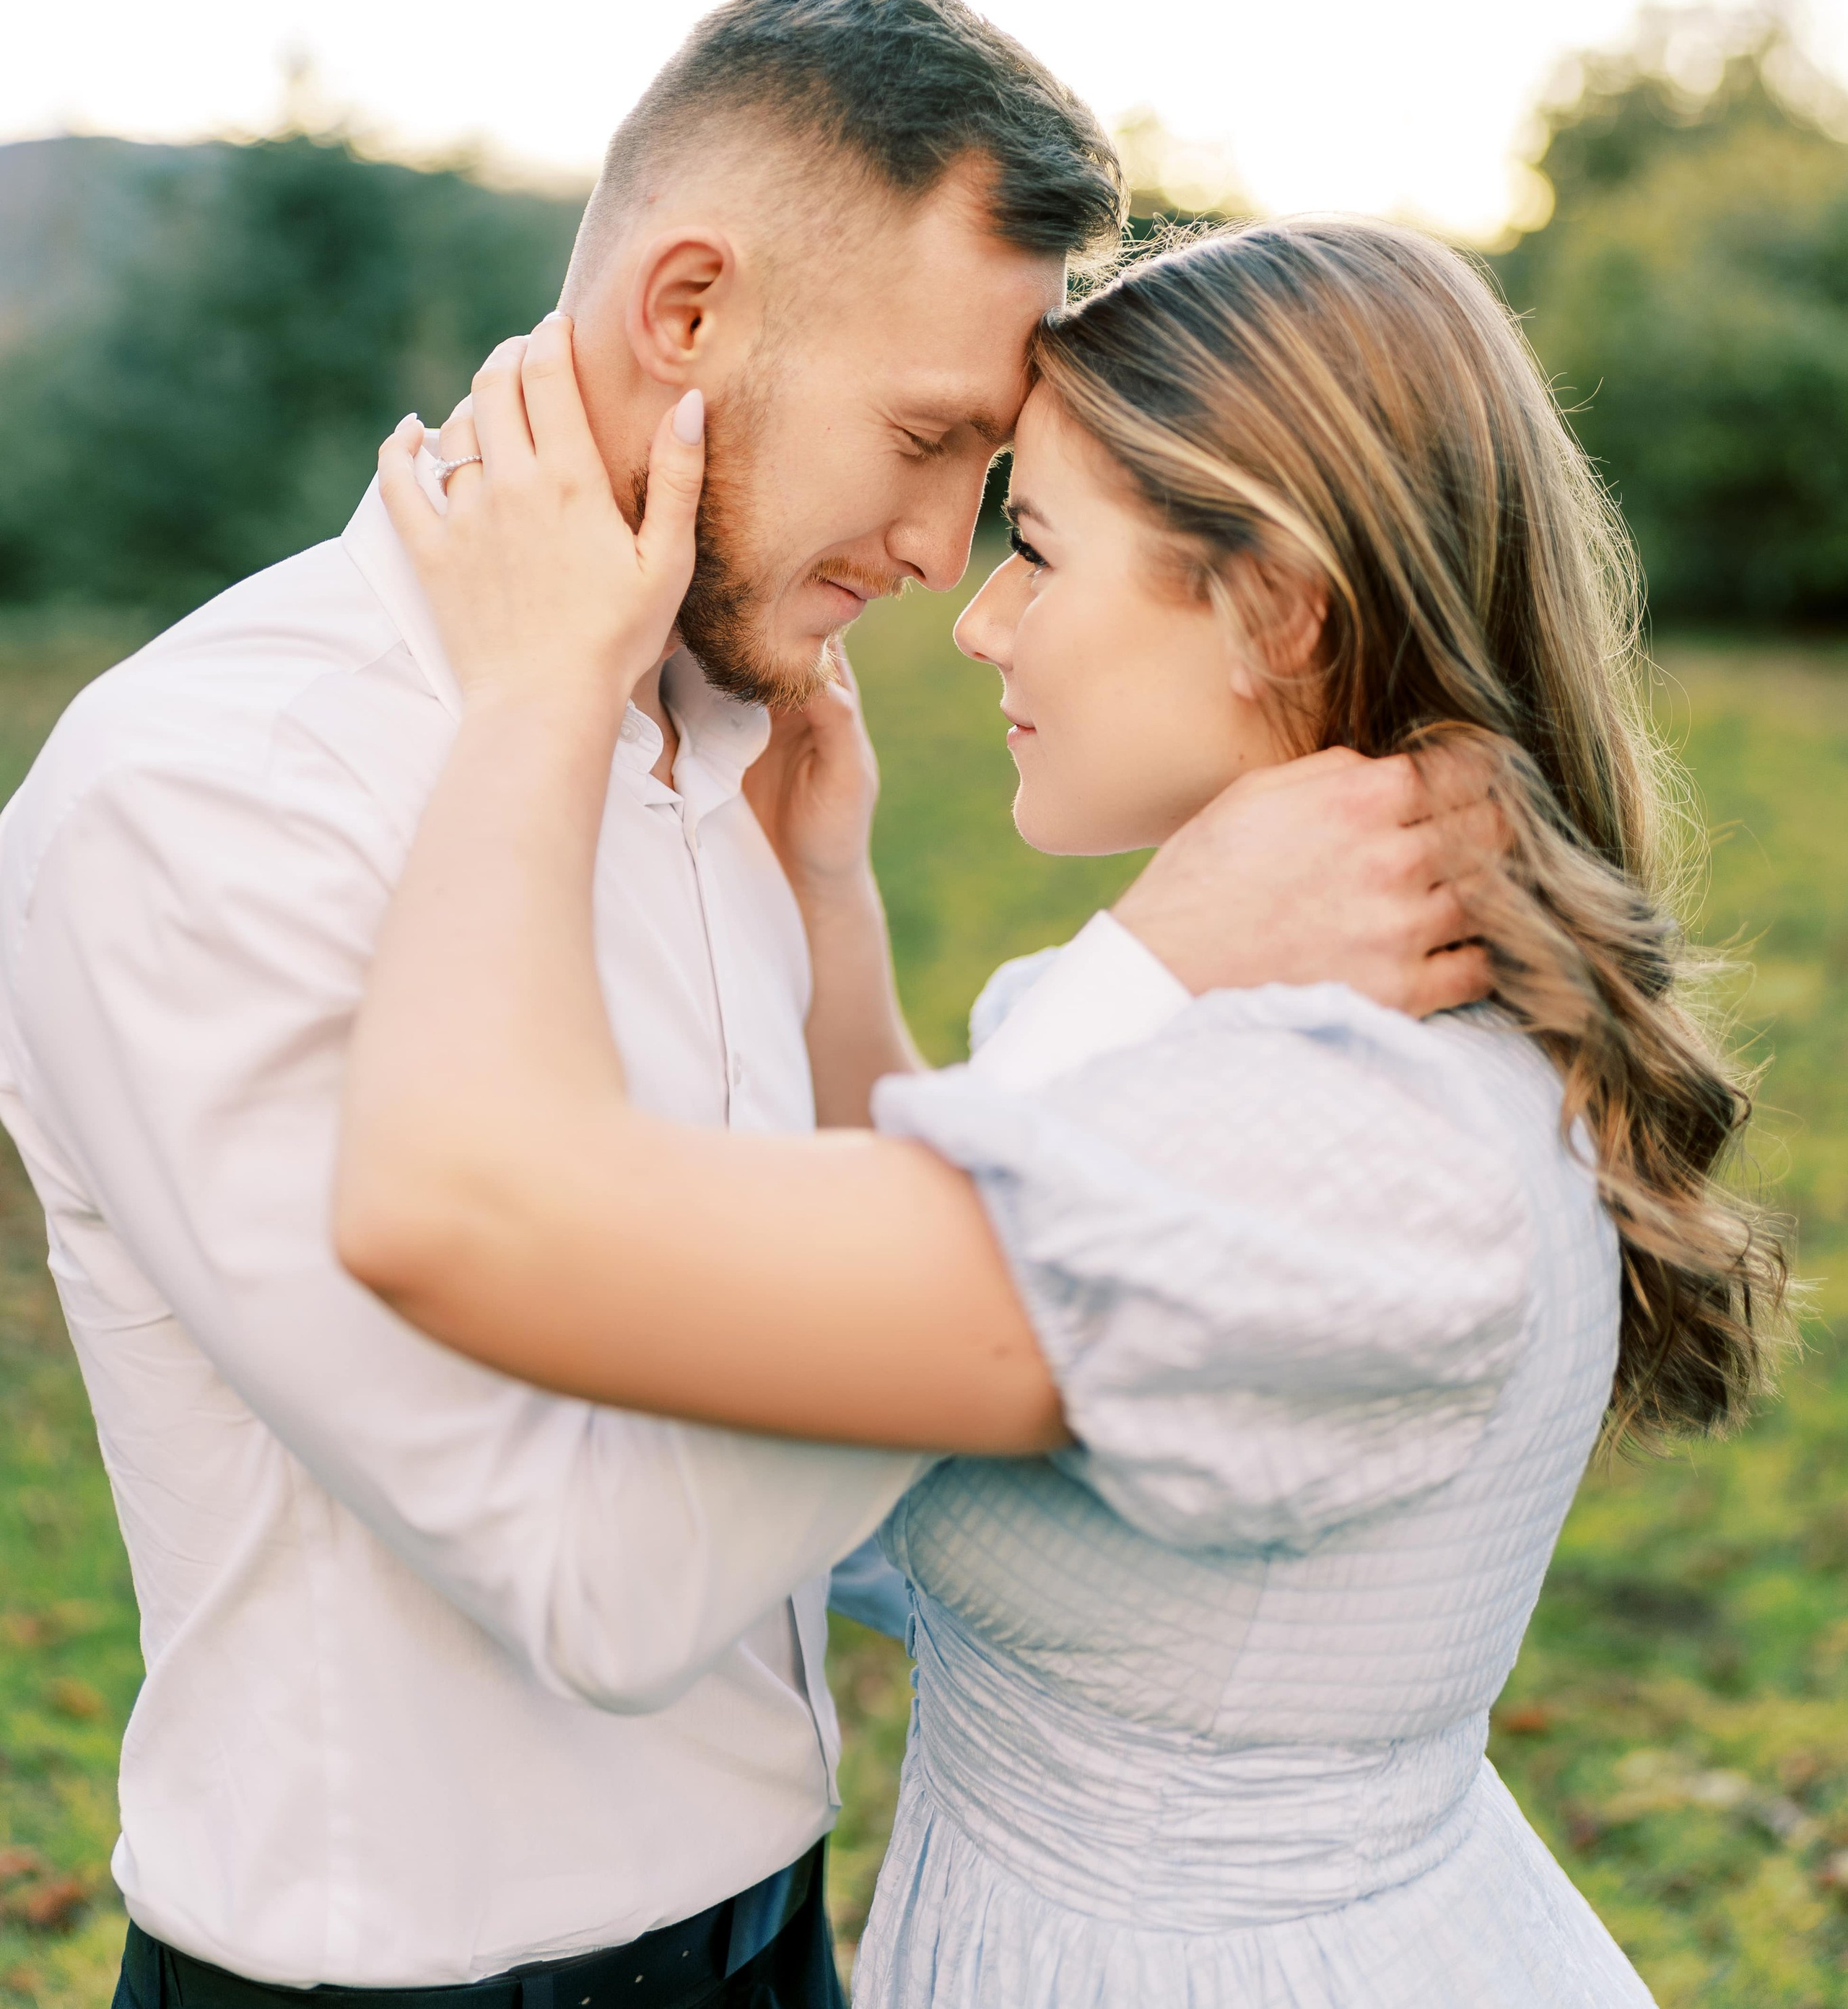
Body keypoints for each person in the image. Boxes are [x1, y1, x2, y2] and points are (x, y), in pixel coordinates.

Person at [0, 0, 1493, 2009]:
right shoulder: (212, 797)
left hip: (784, 1939)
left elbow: (801, 1328)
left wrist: (837, 918)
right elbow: (592, 1571)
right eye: (927, 438)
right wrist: (1132, 1007)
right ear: (686, 314)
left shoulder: (734, 733)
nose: (940, 550)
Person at [336, 214, 1787, 2008]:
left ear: (1276, 609)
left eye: (1032, 545)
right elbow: (910, 1301)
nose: (980, 619)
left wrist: (532, 692)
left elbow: (458, 1211)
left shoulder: (1347, 1149)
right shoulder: (1283, 1030)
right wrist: (835, 909)